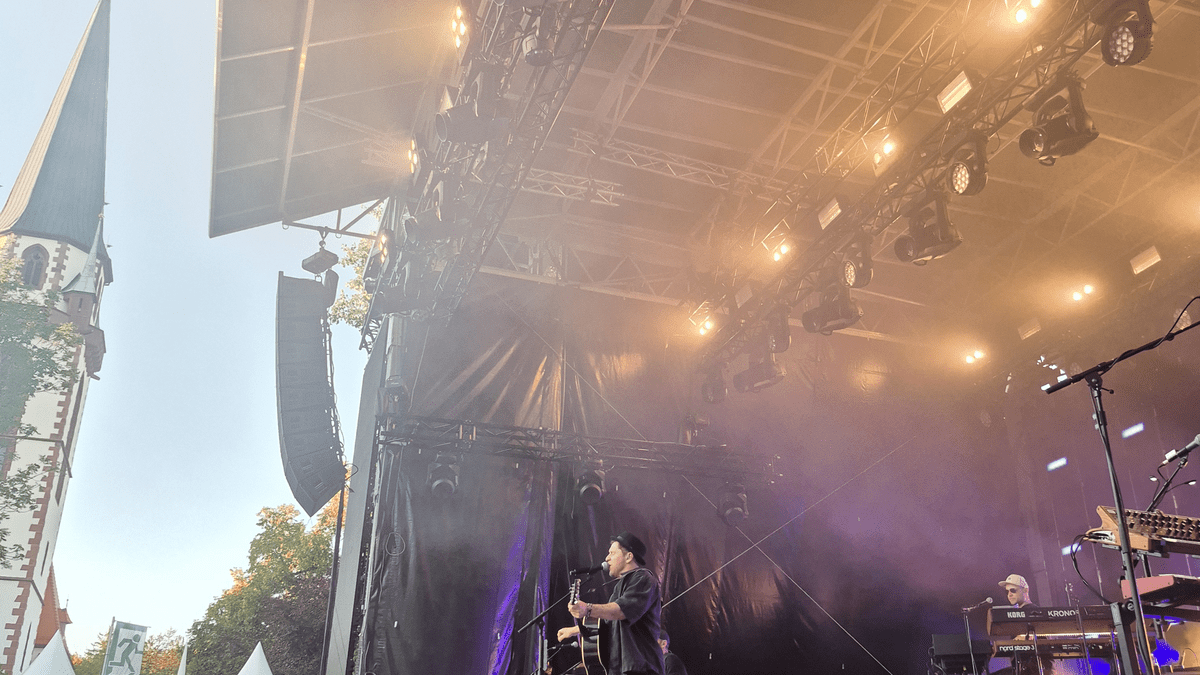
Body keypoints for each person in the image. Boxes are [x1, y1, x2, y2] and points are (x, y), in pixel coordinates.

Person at [558, 532, 664, 675]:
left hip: (642, 667)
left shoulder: (643, 578)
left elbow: (621, 611)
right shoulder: (620, 585)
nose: (607, 558)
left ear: (629, 557)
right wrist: (573, 630)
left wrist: (587, 608)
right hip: (621, 668)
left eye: (612, 553)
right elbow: (607, 622)